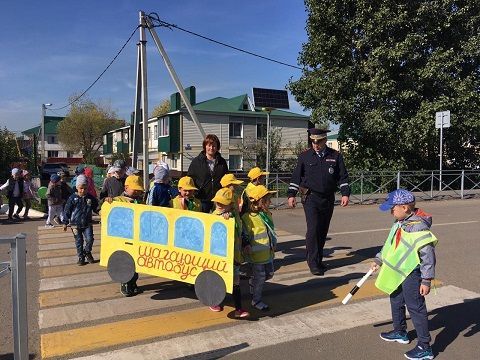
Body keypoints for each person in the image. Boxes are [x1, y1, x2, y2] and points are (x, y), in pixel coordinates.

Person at [370, 189, 437, 360]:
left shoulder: (418, 228)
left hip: (413, 273)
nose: (391, 211)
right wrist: (379, 259)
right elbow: (390, 245)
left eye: (393, 208)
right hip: (397, 273)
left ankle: (425, 347)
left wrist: (426, 280)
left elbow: (428, 256)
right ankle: (400, 331)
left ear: (405, 207)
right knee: (396, 299)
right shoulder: (399, 222)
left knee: (415, 307)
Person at [287, 128, 351, 276]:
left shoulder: (335, 156)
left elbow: (342, 177)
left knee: (322, 230)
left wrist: (345, 194)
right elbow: (296, 177)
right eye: (313, 141)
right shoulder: (305, 156)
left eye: (319, 141)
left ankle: (318, 259)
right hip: (310, 198)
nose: (315, 144)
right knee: (313, 229)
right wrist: (291, 194)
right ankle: (313, 262)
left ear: (324, 140)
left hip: (328, 198)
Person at [208, 187, 250, 318]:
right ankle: (214, 302)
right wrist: (222, 219)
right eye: (217, 202)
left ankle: (239, 309)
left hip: (235, 257)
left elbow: (242, 230)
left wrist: (246, 243)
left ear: (231, 205)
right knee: (219, 281)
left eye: (223, 203)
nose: (219, 205)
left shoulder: (235, 216)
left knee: (235, 283)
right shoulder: (214, 216)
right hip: (220, 258)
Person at [104, 174, 145, 296]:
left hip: (137, 237)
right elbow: (104, 212)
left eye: (139, 190)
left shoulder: (141, 202)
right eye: (135, 189)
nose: (138, 191)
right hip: (123, 238)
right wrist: (107, 202)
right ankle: (125, 283)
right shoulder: (118, 200)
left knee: (135, 262)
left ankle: (133, 282)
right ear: (126, 188)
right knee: (125, 261)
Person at [242, 185, 277, 311]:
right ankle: (256, 301)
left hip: (268, 253)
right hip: (256, 256)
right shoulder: (248, 218)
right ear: (260, 202)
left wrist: (273, 244)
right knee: (261, 278)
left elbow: (270, 231)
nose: (270, 202)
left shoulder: (266, 214)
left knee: (270, 274)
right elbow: (244, 234)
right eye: (268, 200)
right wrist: (246, 244)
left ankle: (253, 281)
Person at [187, 134, 228, 213]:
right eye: (209, 145)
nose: (211, 148)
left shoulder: (222, 162)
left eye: (214, 146)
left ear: (217, 147)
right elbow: (190, 179)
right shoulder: (196, 162)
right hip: (202, 198)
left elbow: (226, 179)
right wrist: (194, 192)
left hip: (218, 199)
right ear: (205, 146)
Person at [63, 175, 99, 266]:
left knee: (90, 239)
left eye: (85, 188)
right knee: (79, 241)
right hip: (75, 224)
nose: (83, 190)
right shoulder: (72, 198)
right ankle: (81, 257)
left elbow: (96, 207)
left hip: (87, 223)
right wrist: (65, 222)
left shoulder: (90, 198)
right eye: (81, 188)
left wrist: (100, 211)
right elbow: (67, 210)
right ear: (77, 187)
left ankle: (87, 251)